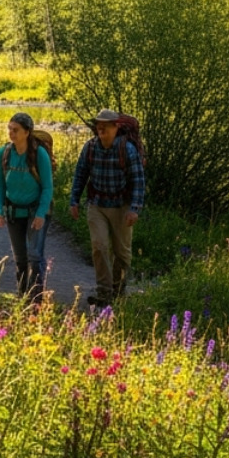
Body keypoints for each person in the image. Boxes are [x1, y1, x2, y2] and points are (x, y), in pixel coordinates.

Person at [69, 109, 146, 309]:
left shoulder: (127, 149)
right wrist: (74, 200)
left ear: (115, 127)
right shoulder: (90, 148)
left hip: (122, 206)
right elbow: (80, 174)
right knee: (99, 246)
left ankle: (118, 290)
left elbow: (138, 180)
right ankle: (104, 292)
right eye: (98, 125)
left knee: (122, 253)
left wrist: (134, 209)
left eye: (105, 125)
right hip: (97, 205)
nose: (100, 128)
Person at [0, 113, 53, 301]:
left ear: (27, 132)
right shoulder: (4, 153)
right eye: (9, 128)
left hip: (35, 211)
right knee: (20, 259)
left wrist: (41, 213)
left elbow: (47, 187)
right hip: (13, 212)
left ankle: (36, 301)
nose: (11, 133)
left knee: (35, 256)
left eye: (16, 130)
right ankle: (22, 298)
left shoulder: (39, 154)